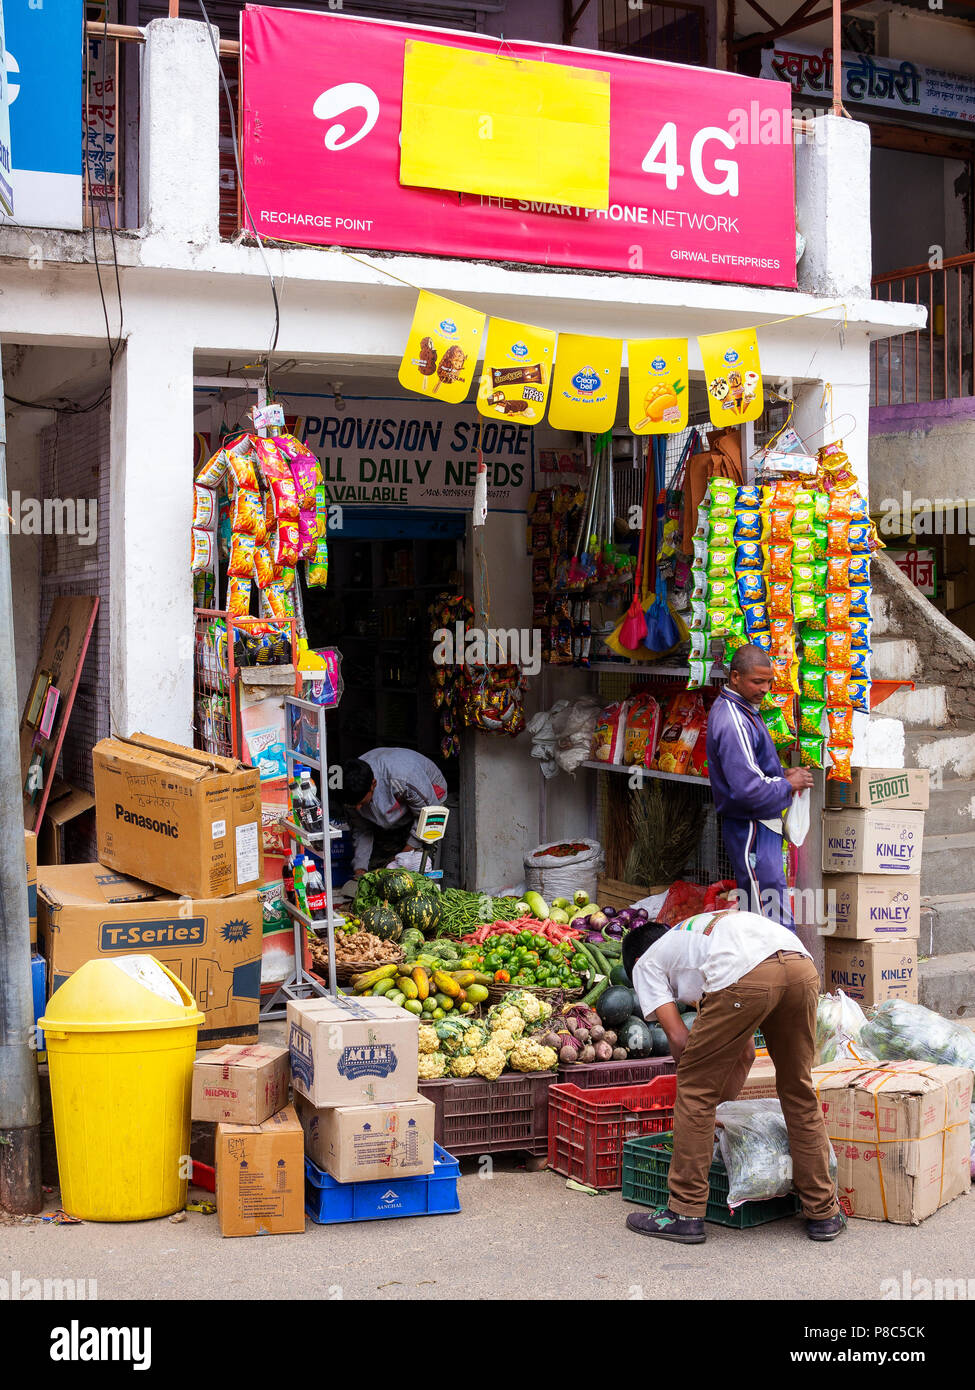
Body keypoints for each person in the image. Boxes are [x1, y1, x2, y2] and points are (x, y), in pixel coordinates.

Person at [621, 910, 843, 1245]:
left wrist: (697, 1104)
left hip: (748, 972)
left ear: (635, 960)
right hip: (799, 964)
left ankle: (684, 1211)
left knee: (694, 1090)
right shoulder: (695, 944)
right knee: (798, 1088)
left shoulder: (646, 963)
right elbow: (744, 1052)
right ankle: (824, 1212)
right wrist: (718, 1104)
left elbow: (680, 1042)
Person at [705, 643, 813, 927]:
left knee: (769, 901)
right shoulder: (733, 720)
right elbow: (748, 788)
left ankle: (781, 965)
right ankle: (777, 967)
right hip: (750, 826)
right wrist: (787, 784)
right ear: (735, 677)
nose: (765, 688)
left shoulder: (745, 710)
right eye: (757, 681)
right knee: (766, 911)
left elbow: (753, 768)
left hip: (757, 824)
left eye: (769, 682)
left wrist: (783, 774)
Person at [339, 748, 448, 876]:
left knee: (416, 867)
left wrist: (403, 855)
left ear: (373, 785)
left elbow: (429, 815)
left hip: (429, 801)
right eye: (354, 805)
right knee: (383, 867)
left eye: (362, 803)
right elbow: (362, 830)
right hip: (394, 809)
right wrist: (360, 869)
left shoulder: (404, 777)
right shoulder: (349, 789)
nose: (358, 809)